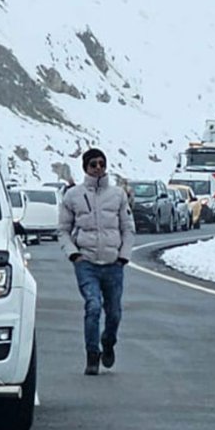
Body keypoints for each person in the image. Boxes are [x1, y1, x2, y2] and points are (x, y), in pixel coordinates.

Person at [58, 148, 135, 375]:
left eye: (102, 163)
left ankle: (108, 342)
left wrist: (123, 256)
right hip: (87, 263)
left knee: (114, 313)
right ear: (86, 167)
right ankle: (92, 355)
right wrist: (74, 254)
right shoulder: (73, 196)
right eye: (93, 164)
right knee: (92, 306)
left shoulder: (118, 195)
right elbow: (63, 230)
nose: (98, 168)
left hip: (113, 264)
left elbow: (128, 228)